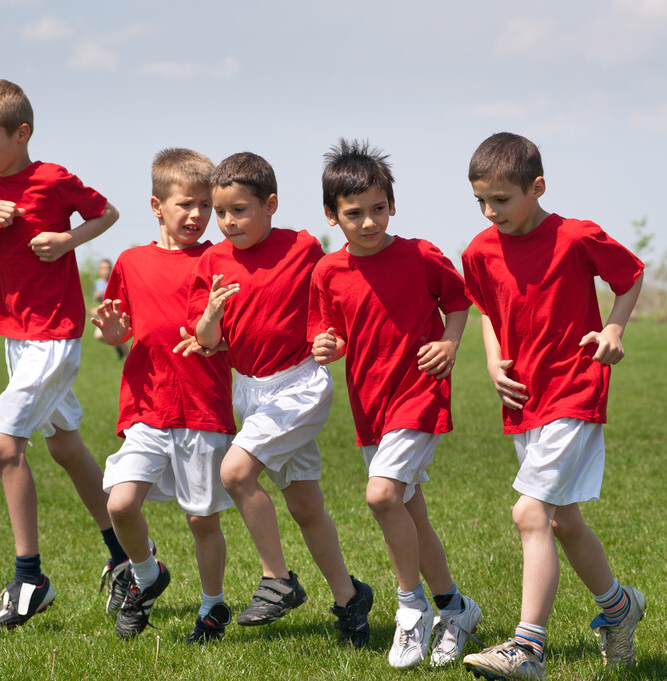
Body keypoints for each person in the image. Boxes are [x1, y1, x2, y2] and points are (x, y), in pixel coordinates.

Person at [458, 132, 646, 680]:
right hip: (525, 398)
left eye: (502, 200)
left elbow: (629, 275)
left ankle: (528, 648)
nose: (492, 212)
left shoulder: (575, 236)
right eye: (482, 202)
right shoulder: (478, 250)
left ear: (536, 188)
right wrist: (493, 362)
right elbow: (488, 311)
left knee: (529, 512)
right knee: (562, 520)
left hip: (575, 389)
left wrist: (613, 327)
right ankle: (618, 608)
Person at [0, 79, 124, 630]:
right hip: (15, 335)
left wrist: (67, 241)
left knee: (3, 447)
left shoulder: (51, 179)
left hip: (54, 335)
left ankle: (30, 576)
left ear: (20, 133)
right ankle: (127, 559)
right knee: (67, 447)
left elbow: (108, 214)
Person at [187, 152, 373, 647]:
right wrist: (210, 313)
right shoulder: (213, 261)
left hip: (298, 384)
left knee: (235, 472)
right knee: (306, 505)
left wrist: (327, 337)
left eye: (239, 210)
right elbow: (206, 339)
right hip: (248, 390)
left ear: (270, 205)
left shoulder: (302, 246)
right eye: (221, 212)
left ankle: (278, 579)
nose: (228, 222)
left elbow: (333, 295)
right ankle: (350, 597)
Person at [309, 139, 482, 669]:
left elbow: (458, 300)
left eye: (378, 209)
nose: (368, 222)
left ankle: (411, 611)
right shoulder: (327, 273)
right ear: (332, 216)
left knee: (382, 495)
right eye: (354, 214)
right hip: (371, 407)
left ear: (392, 204)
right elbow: (326, 333)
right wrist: (326, 346)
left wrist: (450, 343)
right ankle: (455, 608)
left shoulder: (421, 254)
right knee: (408, 510)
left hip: (420, 394)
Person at [91, 149, 235, 642]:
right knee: (121, 503)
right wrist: (111, 334)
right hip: (146, 407)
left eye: (205, 207)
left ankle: (212, 607)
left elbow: (230, 333)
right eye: (186, 205)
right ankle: (147, 575)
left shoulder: (221, 260)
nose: (197, 216)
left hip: (202, 408)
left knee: (201, 519)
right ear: (157, 205)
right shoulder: (131, 262)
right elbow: (117, 329)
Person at [92, 258, 128, 360]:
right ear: (99, 270)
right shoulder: (97, 283)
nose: (105, 271)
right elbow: (97, 299)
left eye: (107, 268)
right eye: (103, 268)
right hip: (103, 314)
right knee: (100, 336)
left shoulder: (113, 282)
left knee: (99, 335)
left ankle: (127, 354)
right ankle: (119, 347)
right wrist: (97, 296)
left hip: (113, 314)